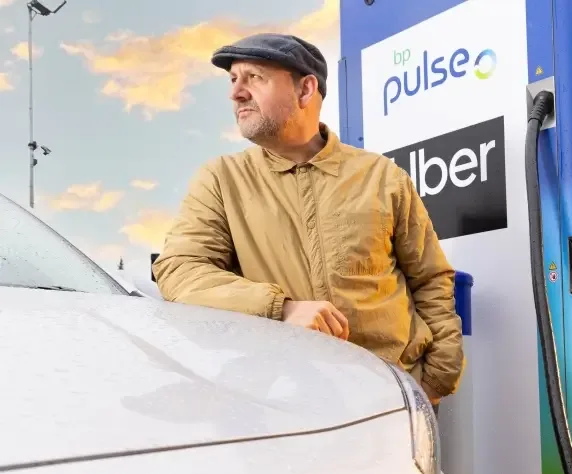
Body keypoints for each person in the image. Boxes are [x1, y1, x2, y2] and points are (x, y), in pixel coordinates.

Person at [152, 33, 463, 406]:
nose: (236, 92)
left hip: (390, 397)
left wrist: (436, 380)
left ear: (305, 90)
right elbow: (180, 270)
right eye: (233, 79)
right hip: (280, 406)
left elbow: (430, 279)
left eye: (255, 77)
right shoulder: (221, 180)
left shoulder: (381, 176)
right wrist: (281, 308)